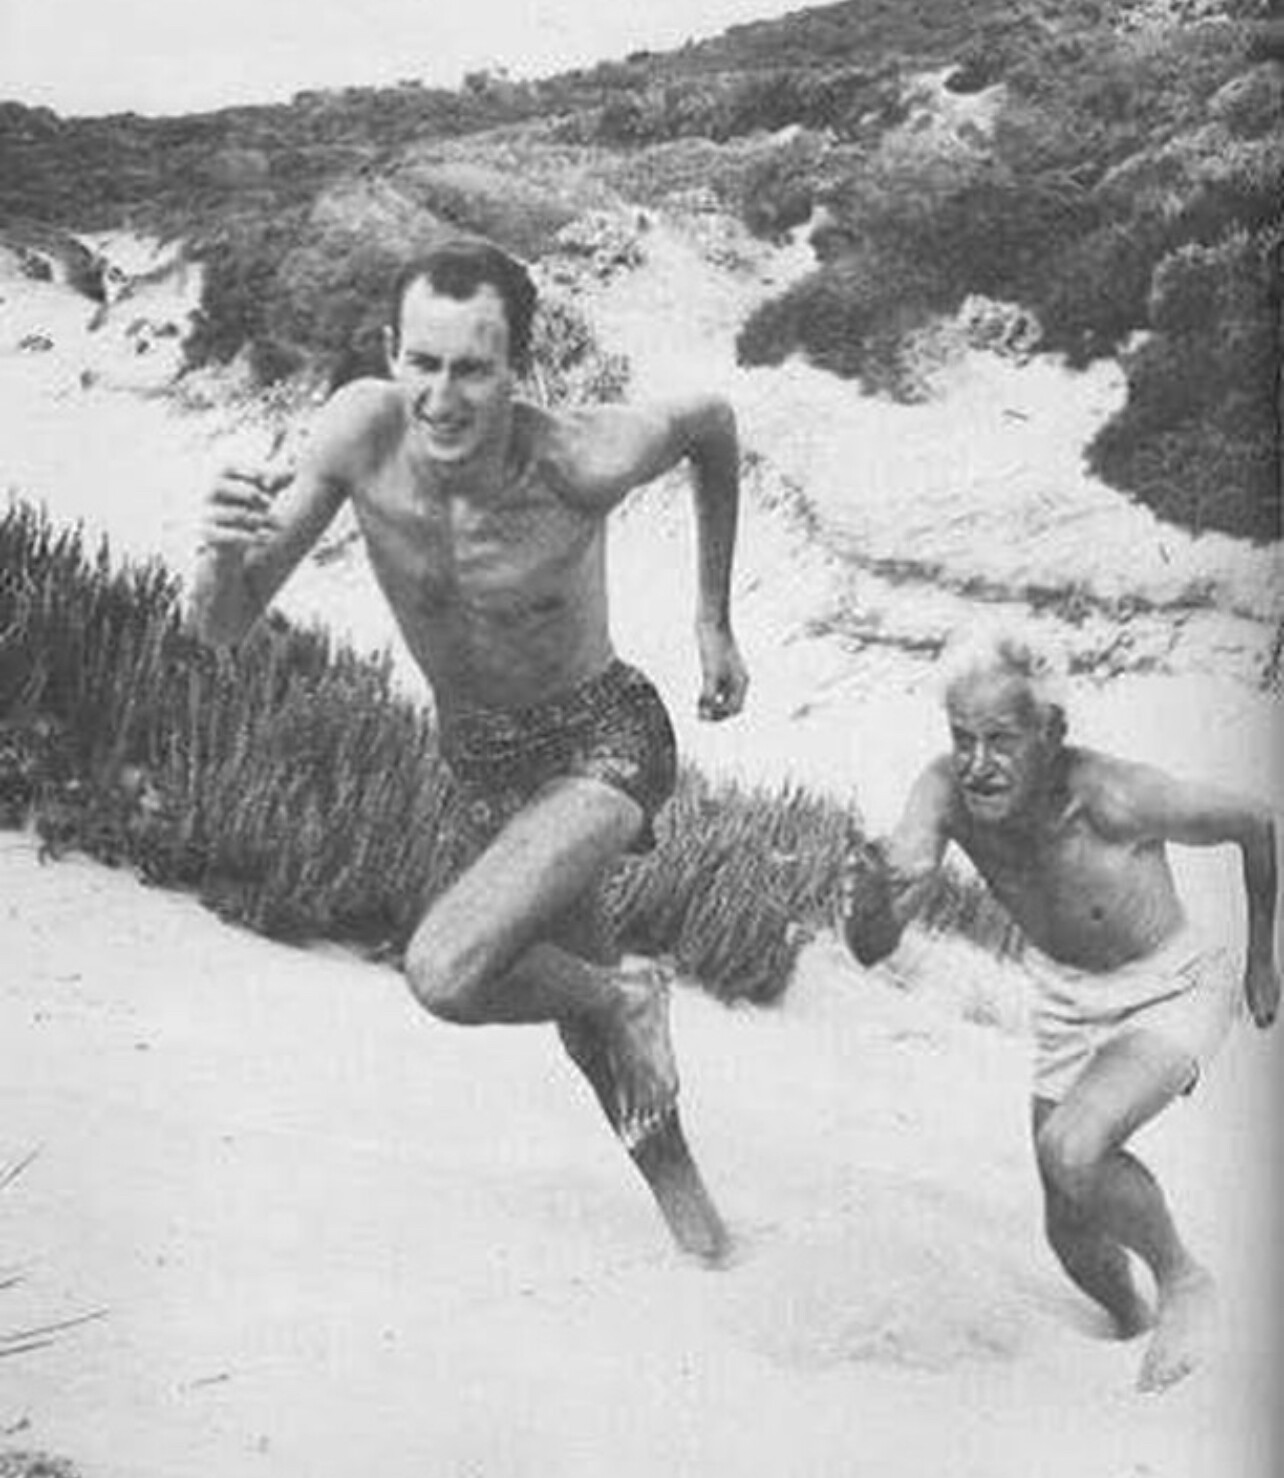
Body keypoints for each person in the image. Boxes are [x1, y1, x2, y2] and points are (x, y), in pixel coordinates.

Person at [190, 237, 749, 1263]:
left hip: (607, 738)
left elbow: (712, 423)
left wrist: (713, 618)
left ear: (518, 370)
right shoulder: (358, 433)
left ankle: (631, 994)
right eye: (423, 363)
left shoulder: (582, 457)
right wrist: (218, 553)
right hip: (487, 768)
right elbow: (225, 623)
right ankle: (702, 1234)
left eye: (474, 370)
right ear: (390, 352)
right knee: (591, 1035)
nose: (442, 399)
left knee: (448, 970)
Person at [841, 623, 1279, 1391]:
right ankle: (1132, 1324)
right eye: (962, 738)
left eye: (1001, 740)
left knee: (1075, 1150)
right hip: (1068, 1000)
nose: (978, 763)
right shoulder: (944, 792)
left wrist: (1262, 959)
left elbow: (1258, 822)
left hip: (1170, 985)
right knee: (1070, 1233)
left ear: (1051, 733)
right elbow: (874, 943)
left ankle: (1185, 1282)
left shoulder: (1117, 797)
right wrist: (872, 901)